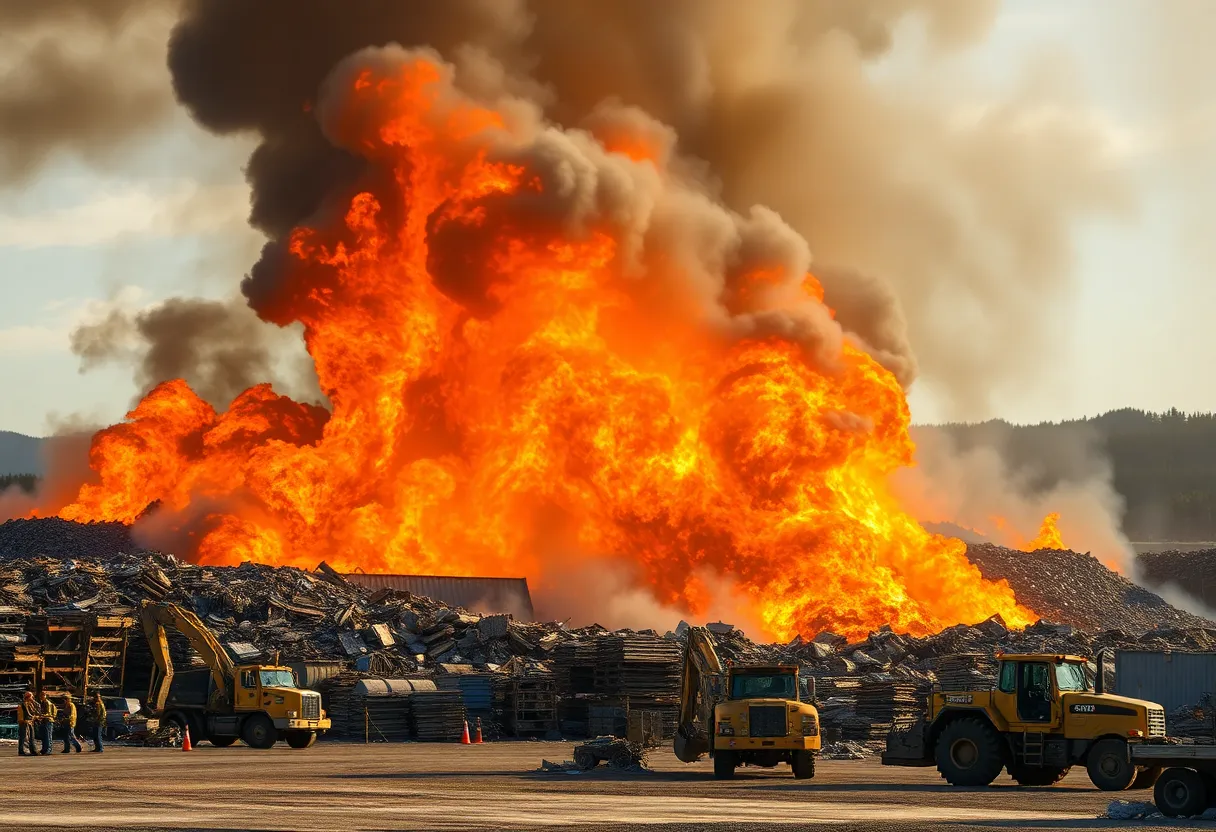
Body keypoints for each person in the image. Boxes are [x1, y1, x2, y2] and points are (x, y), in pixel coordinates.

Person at [17, 691, 37, 757]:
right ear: (28, 697)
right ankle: (22, 750)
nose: (32, 698)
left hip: (30, 722)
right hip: (24, 722)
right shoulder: (22, 705)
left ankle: (32, 750)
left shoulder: (30, 704)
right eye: (31, 696)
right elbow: (20, 714)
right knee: (24, 737)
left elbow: (33, 712)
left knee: (31, 737)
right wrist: (23, 721)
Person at [36, 691, 56, 755]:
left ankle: (48, 750)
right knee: (44, 736)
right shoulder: (42, 703)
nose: (41, 697)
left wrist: (41, 716)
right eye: (40, 696)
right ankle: (44, 749)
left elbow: (49, 713)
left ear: (45, 696)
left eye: (42, 696)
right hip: (44, 721)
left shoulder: (47, 703)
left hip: (48, 721)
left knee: (48, 736)